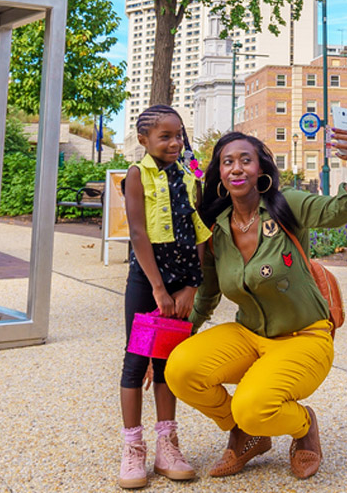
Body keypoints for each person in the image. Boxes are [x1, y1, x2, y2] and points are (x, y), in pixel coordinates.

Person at [164, 127, 347, 480]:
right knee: (180, 369)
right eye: (228, 162)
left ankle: (303, 425)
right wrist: (175, 339)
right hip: (250, 335)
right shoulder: (216, 230)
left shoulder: (285, 204)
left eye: (246, 160)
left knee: (252, 404)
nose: (236, 168)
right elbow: (207, 295)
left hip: (304, 337)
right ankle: (248, 433)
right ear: (219, 173)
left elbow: (338, 211)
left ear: (260, 169)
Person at [116, 104, 210, 489]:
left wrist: (192, 284)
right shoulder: (137, 175)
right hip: (148, 281)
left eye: (179, 135)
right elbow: (139, 233)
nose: (175, 143)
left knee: (168, 361)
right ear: (144, 140)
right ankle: (133, 447)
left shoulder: (192, 172)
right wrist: (157, 287)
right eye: (165, 136)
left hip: (182, 281)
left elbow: (199, 227)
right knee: (137, 361)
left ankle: (167, 444)